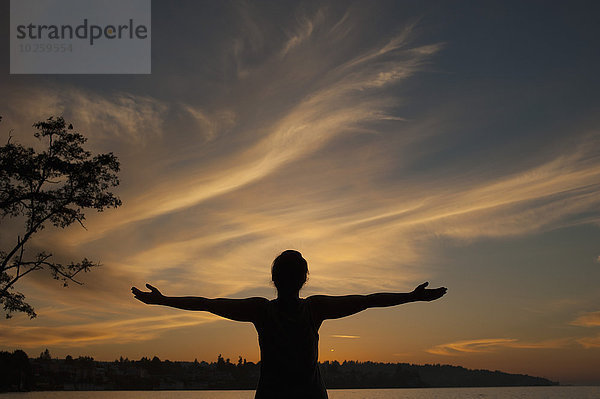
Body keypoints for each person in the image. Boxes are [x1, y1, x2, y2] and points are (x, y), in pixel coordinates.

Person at [132, 249, 447, 399]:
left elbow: (206, 304)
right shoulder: (312, 308)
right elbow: (367, 299)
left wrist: (163, 300)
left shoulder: (264, 310)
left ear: (273, 279)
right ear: (304, 279)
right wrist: (411, 297)